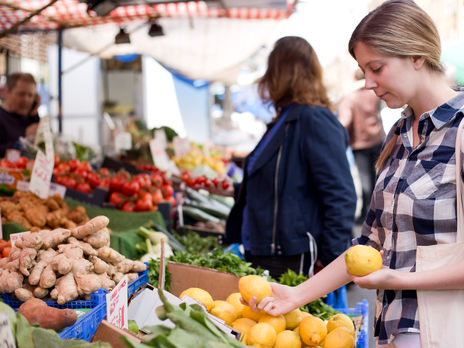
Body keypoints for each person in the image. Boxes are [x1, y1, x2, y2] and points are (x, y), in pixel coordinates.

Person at [248, 1, 464, 347]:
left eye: (376, 68)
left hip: (445, 331)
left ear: (416, 56)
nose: (368, 83)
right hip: (391, 330)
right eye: (364, 70)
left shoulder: (460, 131)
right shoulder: (399, 134)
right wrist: (296, 295)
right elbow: (369, 246)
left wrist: (398, 278)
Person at [224, 36, 357, 280]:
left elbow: (340, 195)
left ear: (280, 73)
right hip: (268, 251)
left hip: (293, 256)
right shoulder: (285, 120)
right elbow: (278, 183)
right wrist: (230, 189)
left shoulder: (313, 119)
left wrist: (329, 259)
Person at [338, 70, 385, 223]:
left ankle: (367, 214)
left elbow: (344, 122)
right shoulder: (374, 94)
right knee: (378, 177)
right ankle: (377, 211)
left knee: (365, 180)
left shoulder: (350, 99)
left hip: (360, 144)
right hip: (378, 139)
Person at [0, 72, 40, 157]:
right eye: (21, 94)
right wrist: (24, 140)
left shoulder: (31, 116)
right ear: (7, 91)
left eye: (30, 95)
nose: (26, 100)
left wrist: (35, 111)